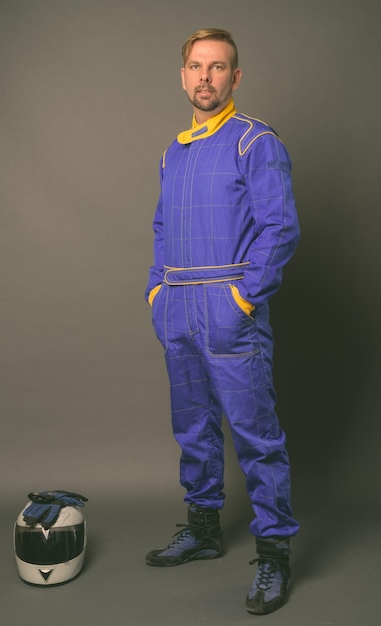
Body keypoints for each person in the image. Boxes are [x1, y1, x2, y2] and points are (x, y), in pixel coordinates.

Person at [144, 28, 300, 616]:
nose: (205, 77)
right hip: (179, 304)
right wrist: (158, 289)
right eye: (195, 66)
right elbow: (162, 227)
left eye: (218, 67)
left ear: (235, 78)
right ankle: (205, 530)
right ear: (183, 75)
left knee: (257, 438)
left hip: (229, 305)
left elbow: (279, 227)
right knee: (194, 427)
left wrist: (242, 299)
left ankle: (275, 553)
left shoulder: (253, 142)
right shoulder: (173, 153)